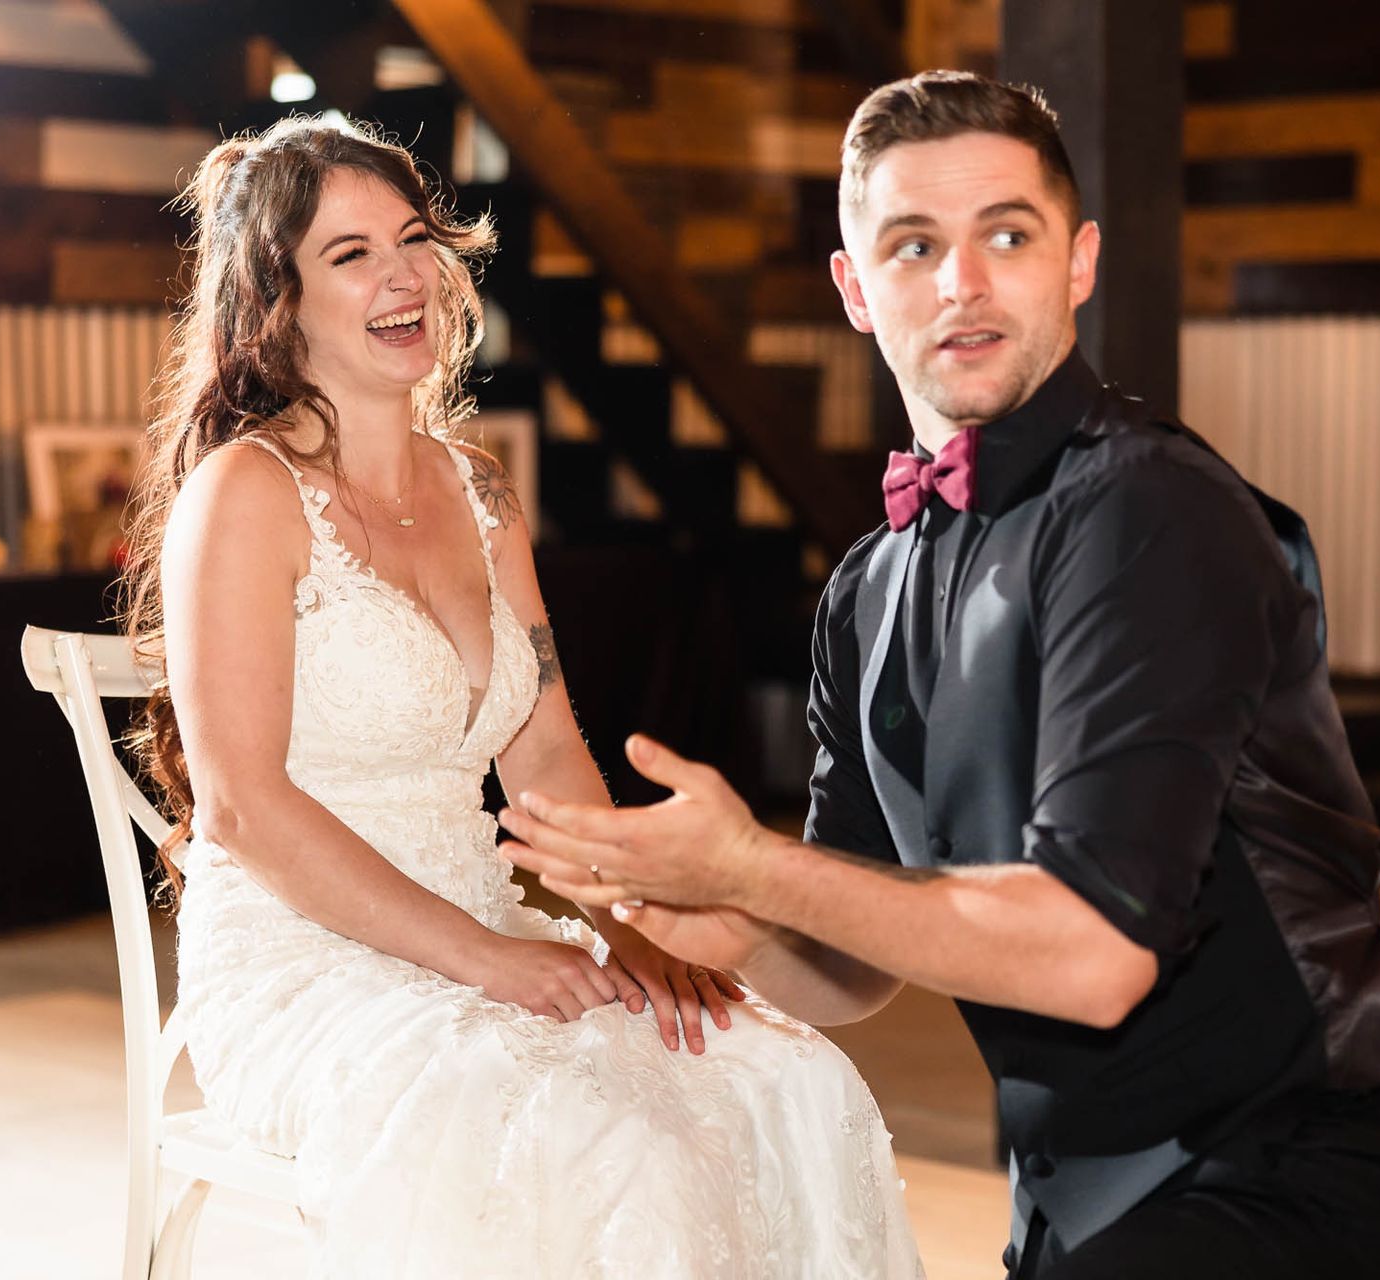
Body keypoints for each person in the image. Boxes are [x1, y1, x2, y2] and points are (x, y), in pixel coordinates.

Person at [501, 71, 1380, 1279]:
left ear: (1075, 263)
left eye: (1005, 236)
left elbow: (1092, 950)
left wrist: (758, 863)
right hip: (1082, 1206)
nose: (961, 283)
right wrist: (730, 926)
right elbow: (856, 963)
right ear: (854, 289)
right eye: (913, 246)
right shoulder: (866, 590)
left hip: (1301, 1178)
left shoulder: (1149, 509)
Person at [119, 115, 922, 1277]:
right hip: (305, 962)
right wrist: (487, 963)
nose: (403, 275)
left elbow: (546, 755)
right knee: (600, 1137)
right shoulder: (244, 494)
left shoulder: (482, 494)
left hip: (488, 922)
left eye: (411, 238)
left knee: (787, 1074)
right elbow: (241, 806)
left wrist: (630, 927)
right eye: (349, 255)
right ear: (275, 303)